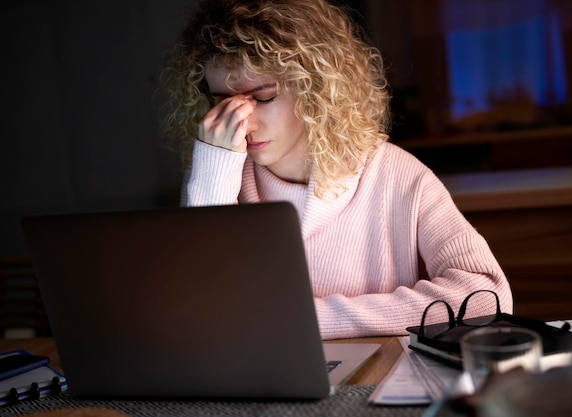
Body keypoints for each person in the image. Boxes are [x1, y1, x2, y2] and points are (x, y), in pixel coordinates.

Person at [158, 0, 513, 340]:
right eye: (222, 103)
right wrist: (210, 172)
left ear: (315, 87)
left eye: (263, 96)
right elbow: (203, 311)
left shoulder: (397, 175)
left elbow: (486, 298)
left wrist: (309, 320)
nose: (242, 121)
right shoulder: (219, 176)